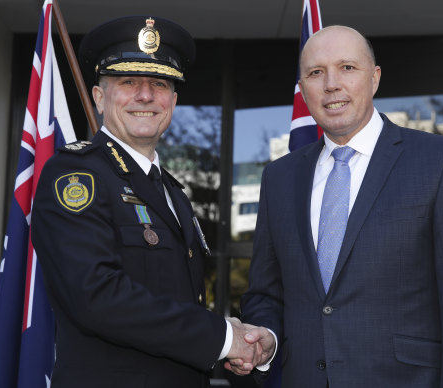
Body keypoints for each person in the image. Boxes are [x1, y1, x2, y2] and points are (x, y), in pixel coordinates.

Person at [236, 25, 443, 387]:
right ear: (303, 89)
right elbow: (266, 293)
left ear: (374, 78)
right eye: (316, 73)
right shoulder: (280, 177)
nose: (331, 84)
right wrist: (267, 336)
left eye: (347, 68)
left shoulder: (439, 162)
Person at [31, 16, 271, 388]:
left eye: (159, 84)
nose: (145, 95)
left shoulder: (173, 191)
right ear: (99, 97)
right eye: (128, 82)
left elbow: (176, 301)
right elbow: (97, 295)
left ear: (172, 102)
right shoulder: (75, 176)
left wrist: (234, 345)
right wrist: (224, 338)